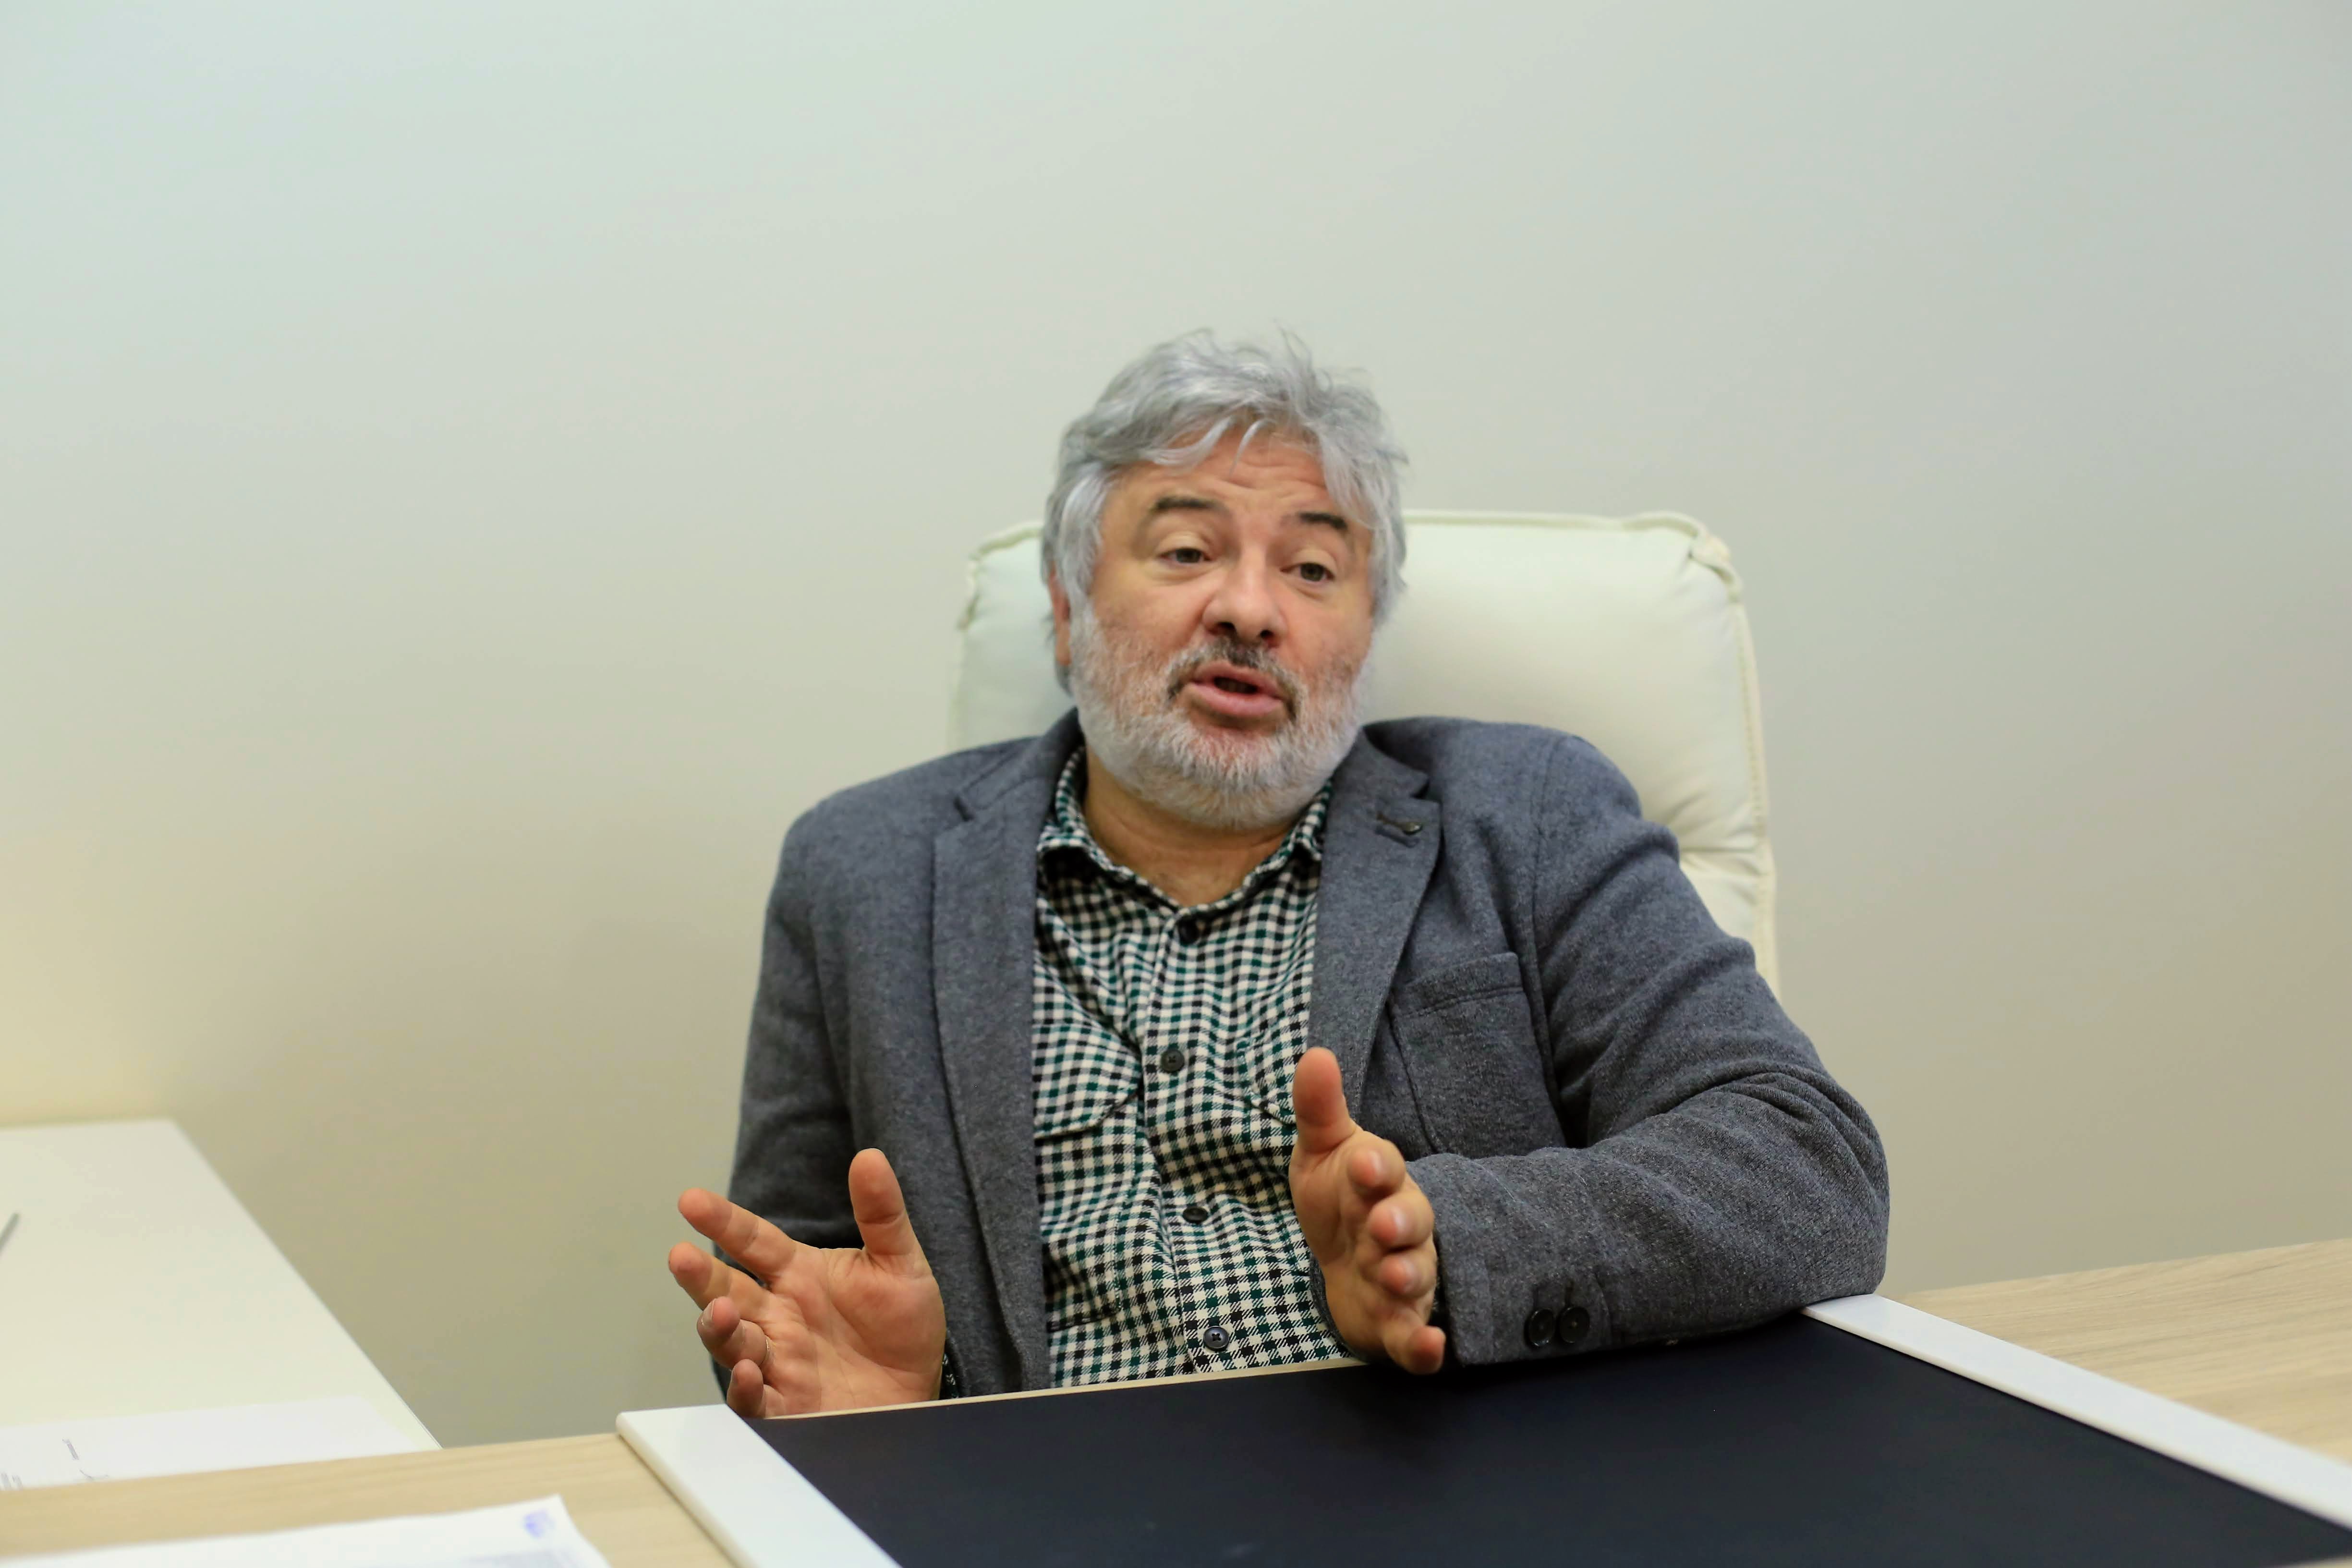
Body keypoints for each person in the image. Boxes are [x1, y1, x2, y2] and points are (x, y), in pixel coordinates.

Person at [667, 331, 1889, 1415]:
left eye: (1312, 570)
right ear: (1066, 608)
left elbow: (1806, 1168)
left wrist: (1446, 1244)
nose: (1250, 610)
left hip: (1458, 1496)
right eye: (1187, 549)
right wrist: (889, 1408)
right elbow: (799, 1282)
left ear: (1365, 630)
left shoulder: (1528, 811)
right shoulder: (861, 868)